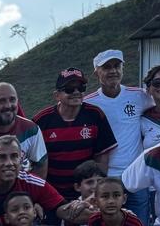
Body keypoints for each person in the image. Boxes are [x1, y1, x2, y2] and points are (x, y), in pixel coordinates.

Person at [84, 50, 154, 226]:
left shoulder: (139, 95)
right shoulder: (88, 103)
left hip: (137, 177)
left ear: (123, 68)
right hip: (107, 178)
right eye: (106, 67)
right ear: (96, 72)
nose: (113, 71)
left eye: (117, 66)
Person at [32, 68, 117, 206]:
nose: (76, 92)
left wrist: (96, 190)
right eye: (69, 89)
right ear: (57, 95)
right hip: (51, 193)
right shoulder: (41, 120)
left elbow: (102, 158)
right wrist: (39, 196)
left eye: (81, 87)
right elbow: (34, 162)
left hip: (87, 194)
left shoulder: (95, 115)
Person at [0, 136, 83, 226]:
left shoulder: (33, 183)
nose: (9, 163)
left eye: (14, 157)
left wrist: (90, 211)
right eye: (2, 157)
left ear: (21, 161)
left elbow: (63, 209)